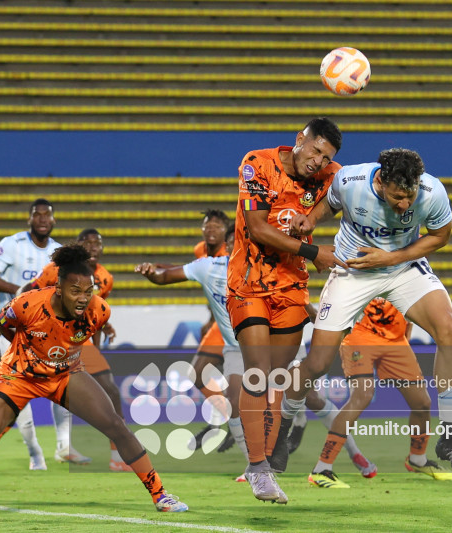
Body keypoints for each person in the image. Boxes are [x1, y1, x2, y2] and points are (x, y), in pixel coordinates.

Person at [0, 244, 188, 521]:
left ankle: (160, 494)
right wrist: (23, 350)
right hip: (19, 375)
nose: (82, 298)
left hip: (64, 375)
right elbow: (3, 323)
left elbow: (82, 337)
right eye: (76, 291)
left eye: (88, 292)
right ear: (59, 289)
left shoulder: (100, 311)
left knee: (115, 425)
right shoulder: (27, 304)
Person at [279, 148, 452, 472]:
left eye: (409, 196)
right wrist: (309, 220)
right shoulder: (351, 181)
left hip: (401, 267)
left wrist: (392, 258)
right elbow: (330, 203)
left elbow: (441, 235)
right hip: (352, 271)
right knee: (316, 363)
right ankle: (283, 427)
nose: (405, 205)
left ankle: (450, 436)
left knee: (449, 331)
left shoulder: (431, 191)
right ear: (381, 181)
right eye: (398, 197)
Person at [226, 117, 347, 503]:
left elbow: (350, 198)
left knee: (276, 379)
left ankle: (264, 464)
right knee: (258, 373)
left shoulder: (333, 176)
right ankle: (258, 468)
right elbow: (258, 228)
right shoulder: (258, 164)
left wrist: (312, 219)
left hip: (292, 288)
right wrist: (315, 251)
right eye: (314, 151)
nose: (318, 161)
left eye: (326, 157)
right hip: (249, 282)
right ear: (300, 140)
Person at [136, 225, 252, 474]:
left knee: (287, 400)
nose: (234, 246)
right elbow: (166, 276)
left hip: (268, 345)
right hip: (235, 347)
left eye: (240, 241)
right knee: (232, 402)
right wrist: (152, 274)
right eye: (230, 242)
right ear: (226, 245)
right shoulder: (209, 266)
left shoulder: (262, 269)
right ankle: (255, 467)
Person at [308, 297, 452, 488]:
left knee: (422, 403)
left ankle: (417, 460)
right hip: (361, 335)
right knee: (362, 395)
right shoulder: (360, 268)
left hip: (396, 340)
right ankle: (321, 469)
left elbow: (410, 311)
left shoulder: (412, 270)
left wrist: (404, 344)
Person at [0, 198, 80, 470]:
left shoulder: (59, 252)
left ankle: (63, 444)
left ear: (53, 220)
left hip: (49, 333)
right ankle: (34, 451)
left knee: (61, 382)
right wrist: (20, 291)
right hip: (14, 329)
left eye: (47, 215)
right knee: (18, 390)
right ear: (29, 219)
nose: (42, 219)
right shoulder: (13, 244)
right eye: (37, 215)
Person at [18, 228, 125, 471]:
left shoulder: (105, 278)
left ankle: (118, 456)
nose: (93, 247)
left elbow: (94, 318)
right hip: (49, 340)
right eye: (88, 243)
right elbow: (27, 293)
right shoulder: (57, 271)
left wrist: (98, 348)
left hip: (80, 342)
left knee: (111, 390)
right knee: (21, 391)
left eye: (97, 243)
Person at [185, 210, 232, 450]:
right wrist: (210, 317)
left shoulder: (231, 255)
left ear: (226, 232)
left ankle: (227, 424)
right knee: (199, 372)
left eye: (217, 226)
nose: (211, 230)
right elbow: (213, 290)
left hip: (236, 322)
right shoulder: (199, 251)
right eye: (207, 226)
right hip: (219, 322)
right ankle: (226, 421)